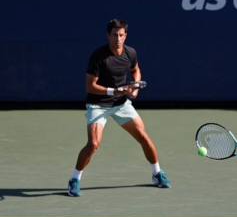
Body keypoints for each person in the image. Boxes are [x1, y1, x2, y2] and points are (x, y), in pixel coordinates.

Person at [67, 19, 171, 197]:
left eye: (121, 35)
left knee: (144, 137)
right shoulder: (98, 56)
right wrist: (114, 90)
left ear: (125, 36)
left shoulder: (130, 53)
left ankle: (157, 173)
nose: (118, 38)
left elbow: (135, 69)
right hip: (98, 105)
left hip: (121, 104)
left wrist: (135, 86)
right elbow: (90, 86)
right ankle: (74, 180)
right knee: (93, 144)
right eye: (115, 35)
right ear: (108, 35)